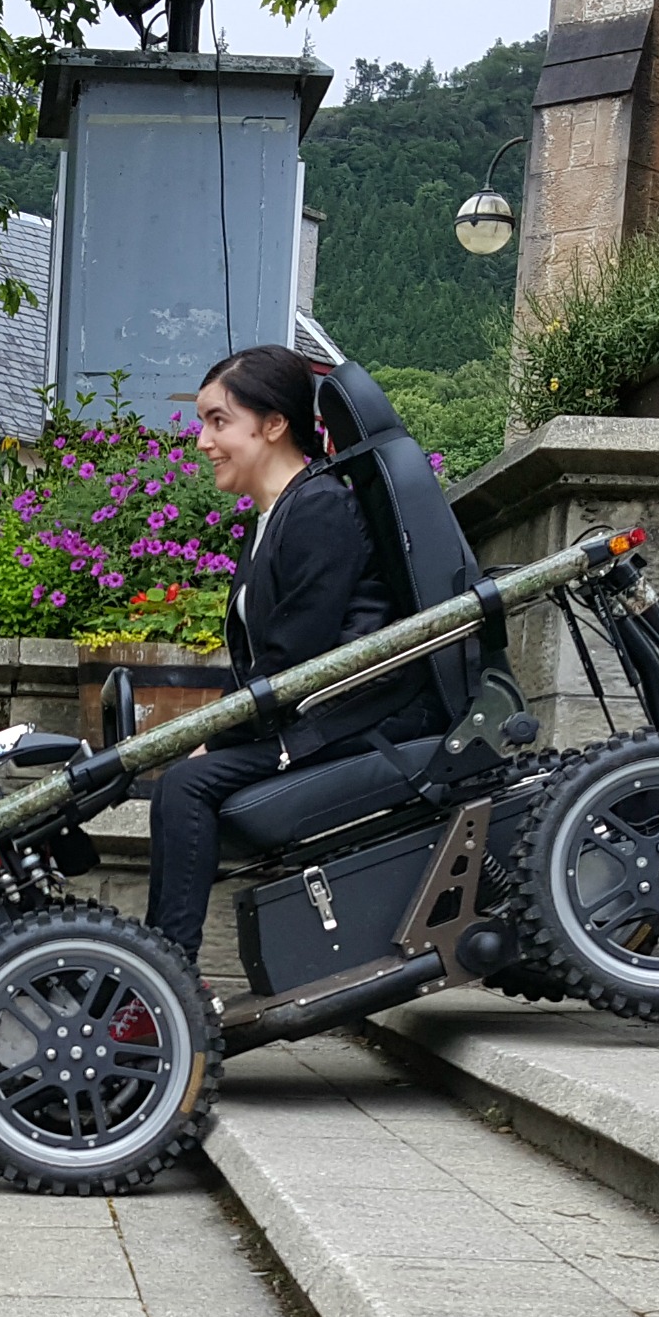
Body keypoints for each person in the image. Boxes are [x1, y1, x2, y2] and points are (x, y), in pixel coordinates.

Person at [142, 344, 427, 964]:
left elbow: (296, 652)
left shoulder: (319, 506)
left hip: (352, 719)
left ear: (273, 425)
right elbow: (262, 662)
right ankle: (158, 966)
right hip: (312, 711)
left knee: (188, 786)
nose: (202, 441)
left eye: (218, 421)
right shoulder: (274, 517)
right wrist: (209, 731)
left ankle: (168, 970)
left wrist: (214, 739)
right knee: (179, 779)